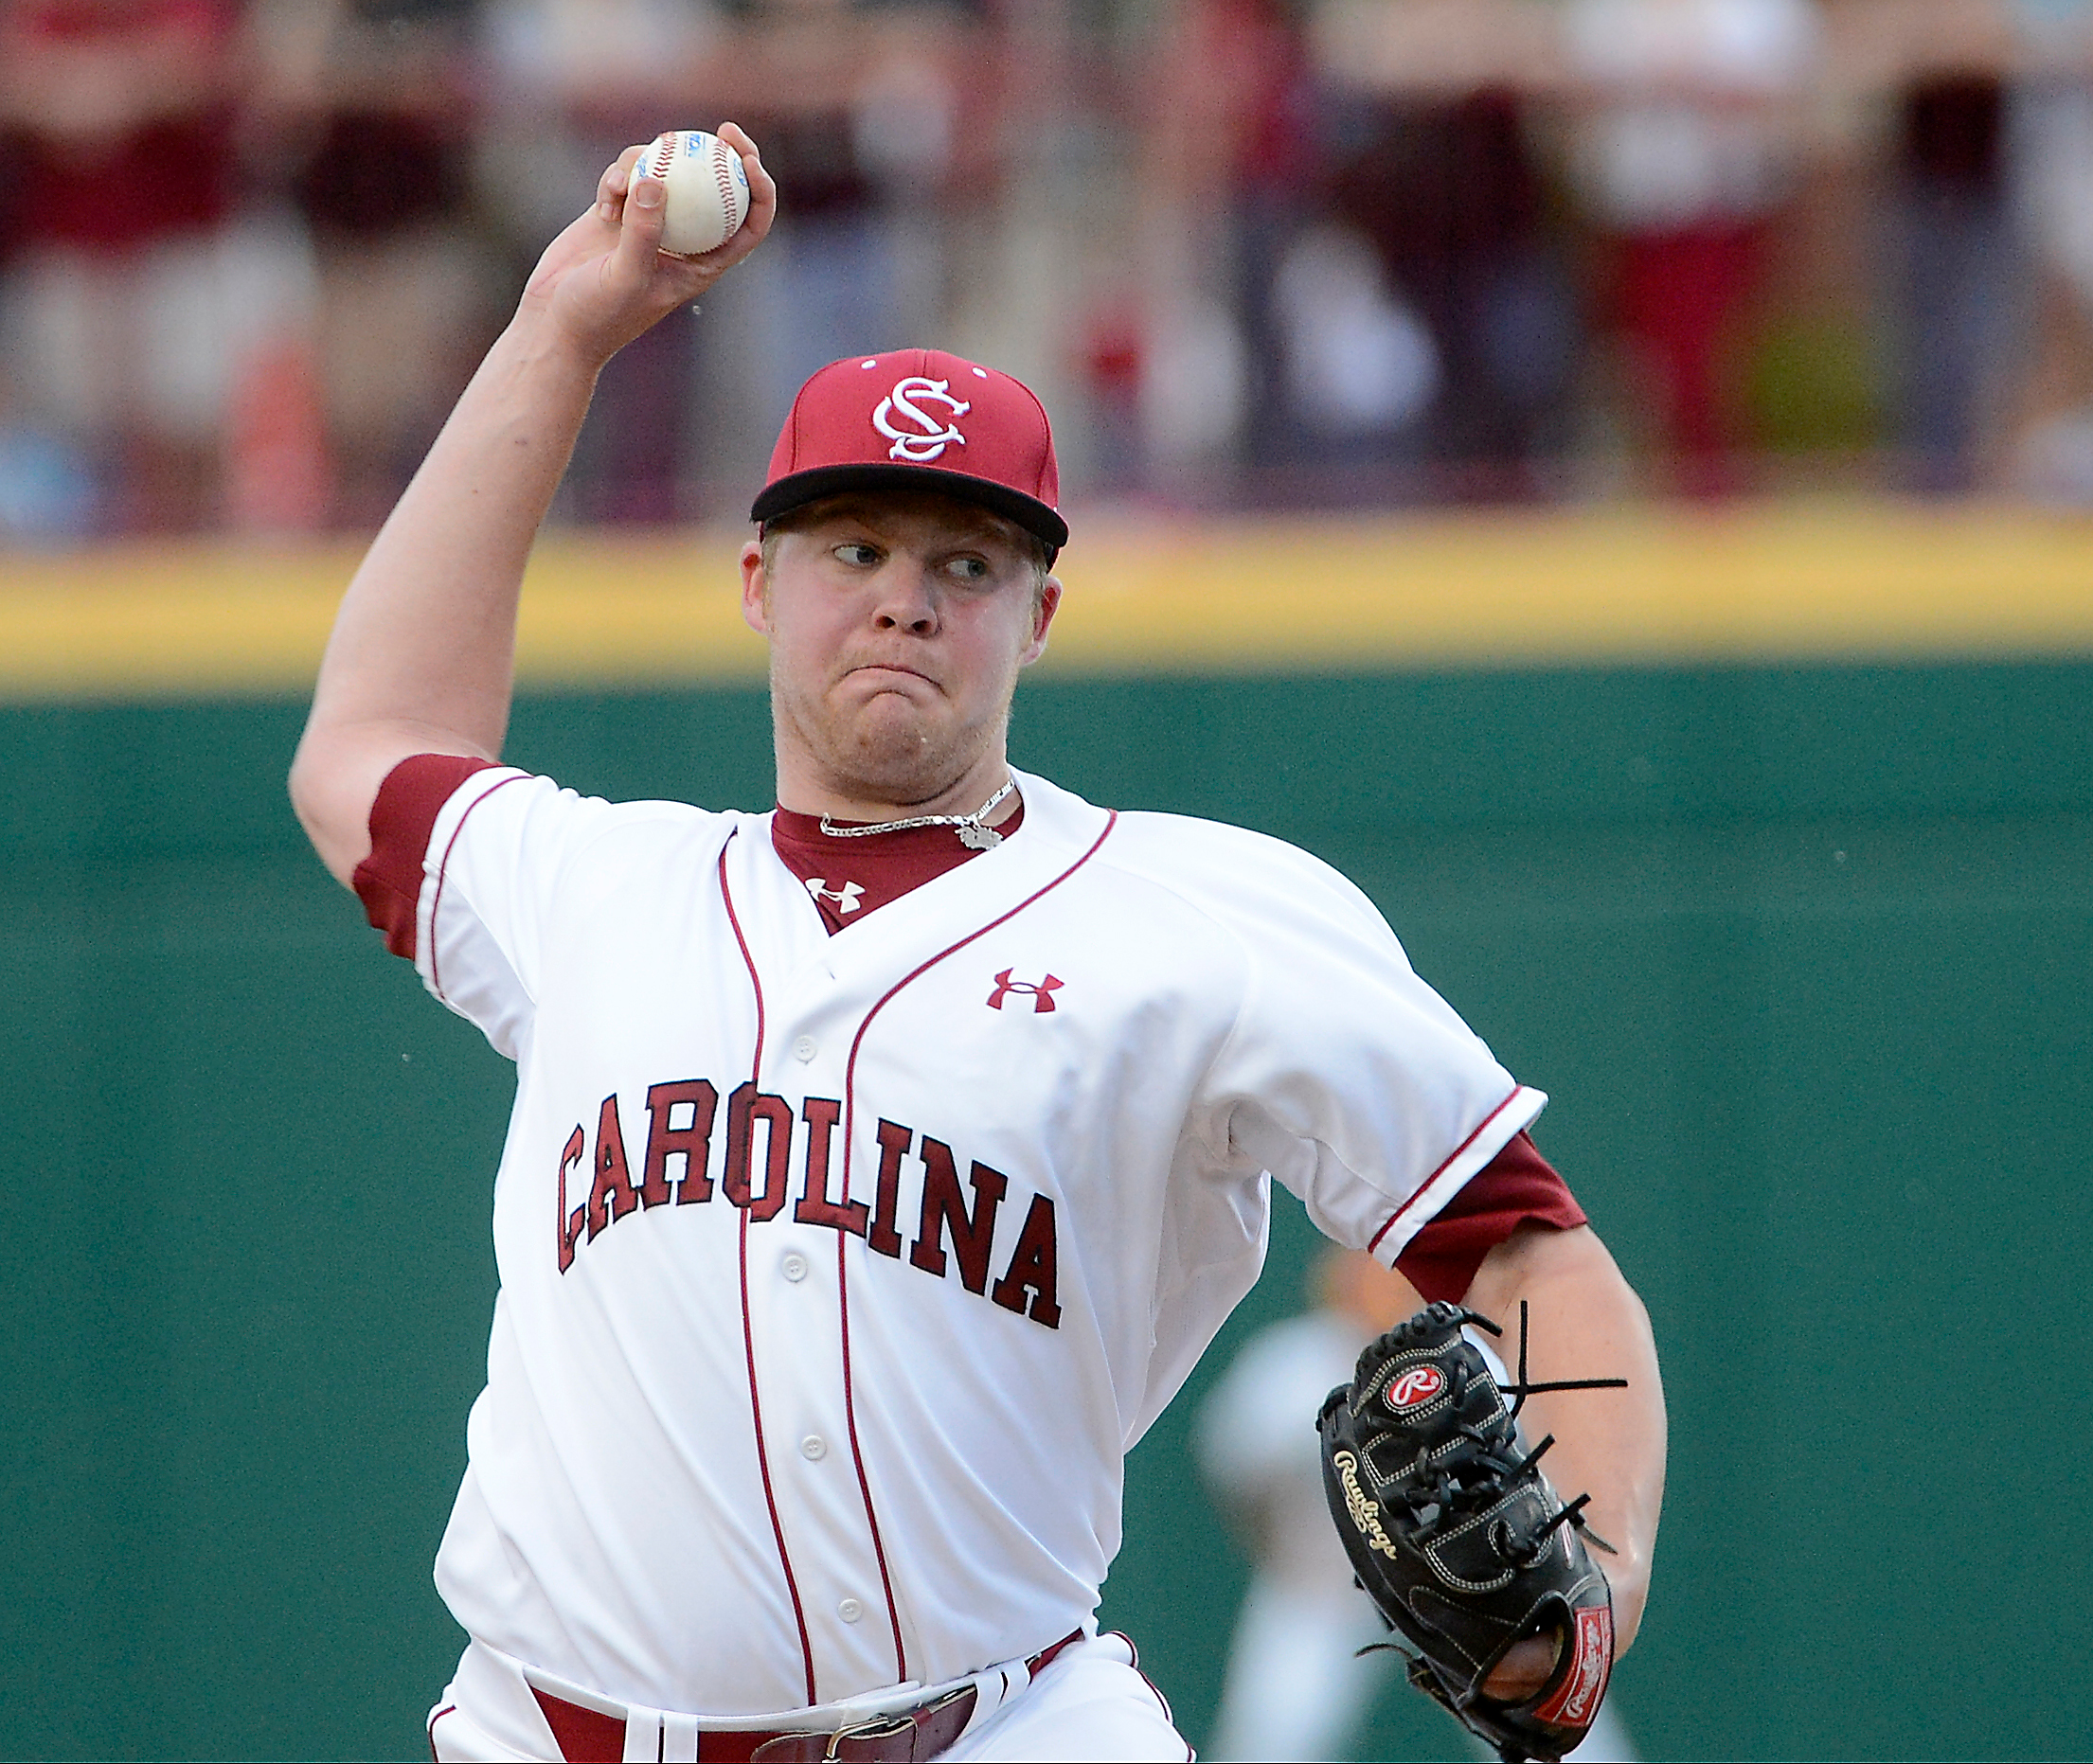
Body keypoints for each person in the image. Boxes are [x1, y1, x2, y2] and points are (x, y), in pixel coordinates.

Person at [288, 124, 1668, 1763]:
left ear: (1039, 613)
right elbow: (366, 742)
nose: (902, 599)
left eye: (963, 560)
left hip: (1005, 1727)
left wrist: (1598, 1584)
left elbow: (1525, 1247)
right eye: (852, 549)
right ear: (756, 580)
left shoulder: (1200, 921)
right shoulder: (601, 889)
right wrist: (561, 330)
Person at [1196, 1249, 1641, 1763]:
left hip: (1472, 1583)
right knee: (1274, 1732)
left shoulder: (1466, 1361)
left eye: (1396, 1277)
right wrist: (1287, 1560)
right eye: (1367, 1275)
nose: (1383, 1288)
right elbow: (1235, 1478)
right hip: (1325, 1585)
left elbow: (1533, 1468)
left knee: (1550, 1710)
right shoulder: (1290, 1366)